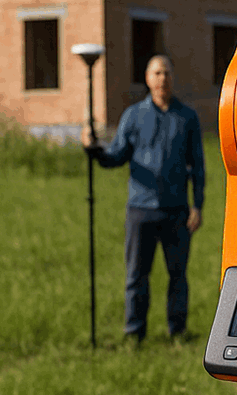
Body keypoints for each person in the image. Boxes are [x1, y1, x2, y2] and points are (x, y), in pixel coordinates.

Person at [82, 54, 205, 344]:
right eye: (157, 73)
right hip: (140, 210)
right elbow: (116, 157)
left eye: (167, 73)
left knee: (178, 275)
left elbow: (198, 166)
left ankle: (178, 332)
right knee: (136, 276)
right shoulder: (133, 116)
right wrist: (94, 148)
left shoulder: (186, 118)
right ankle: (134, 334)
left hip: (176, 211)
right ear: (148, 79)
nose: (162, 78)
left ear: (172, 78)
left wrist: (197, 205)